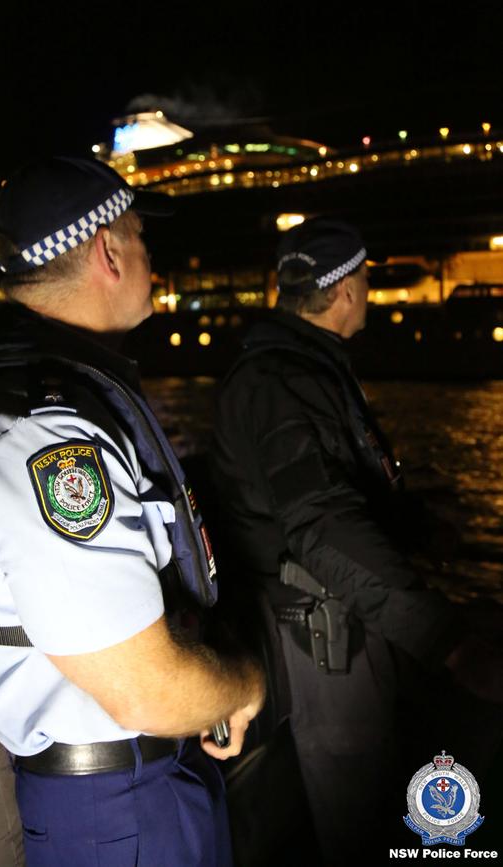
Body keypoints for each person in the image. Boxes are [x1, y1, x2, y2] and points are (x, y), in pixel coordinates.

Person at [0, 155, 265, 867]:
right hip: (116, 809)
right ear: (109, 250)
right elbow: (146, 691)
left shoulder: (53, 402)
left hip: (143, 782)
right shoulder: (41, 437)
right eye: (141, 236)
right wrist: (247, 683)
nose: (151, 257)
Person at [210, 216, 502, 864]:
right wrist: (446, 641)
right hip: (322, 636)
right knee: (359, 810)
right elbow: (322, 524)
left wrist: (416, 525)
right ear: (345, 292)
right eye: (365, 281)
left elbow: (330, 492)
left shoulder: (298, 369)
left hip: (339, 616)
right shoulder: (284, 381)